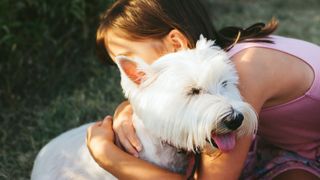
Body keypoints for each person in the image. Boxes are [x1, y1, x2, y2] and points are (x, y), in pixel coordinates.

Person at [86, 0, 320, 179]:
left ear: (176, 44)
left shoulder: (244, 72)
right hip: (288, 150)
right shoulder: (221, 62)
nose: (129, 73)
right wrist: (125, 109)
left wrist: (107, 156)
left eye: (128, 59)